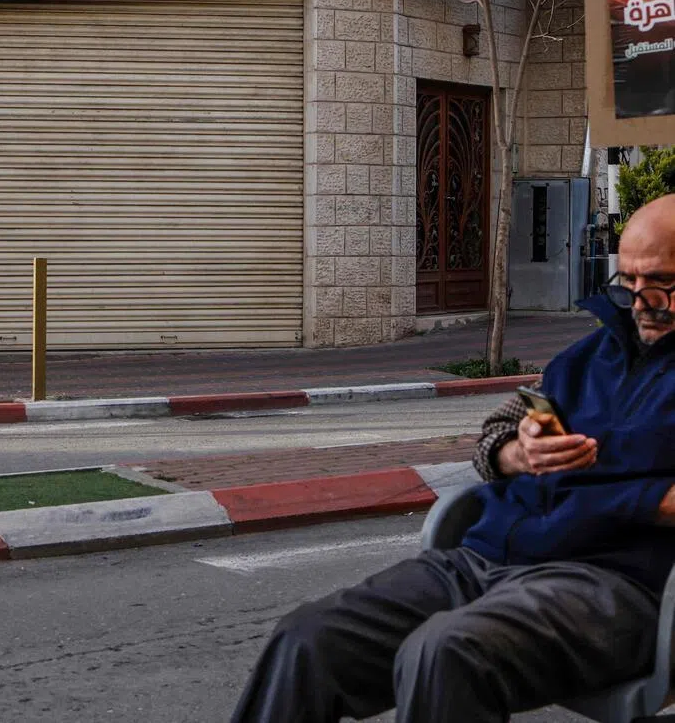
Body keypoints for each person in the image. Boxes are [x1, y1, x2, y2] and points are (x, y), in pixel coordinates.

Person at [230, 194, 675, 723]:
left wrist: (610, 493)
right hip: (483, 559)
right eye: (629, 282)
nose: (642, 301)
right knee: (306, 638)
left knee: (445, 650)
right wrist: (520, 450)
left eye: (663, 283)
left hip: (609, 584)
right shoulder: (583, 360)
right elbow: (499, 432)